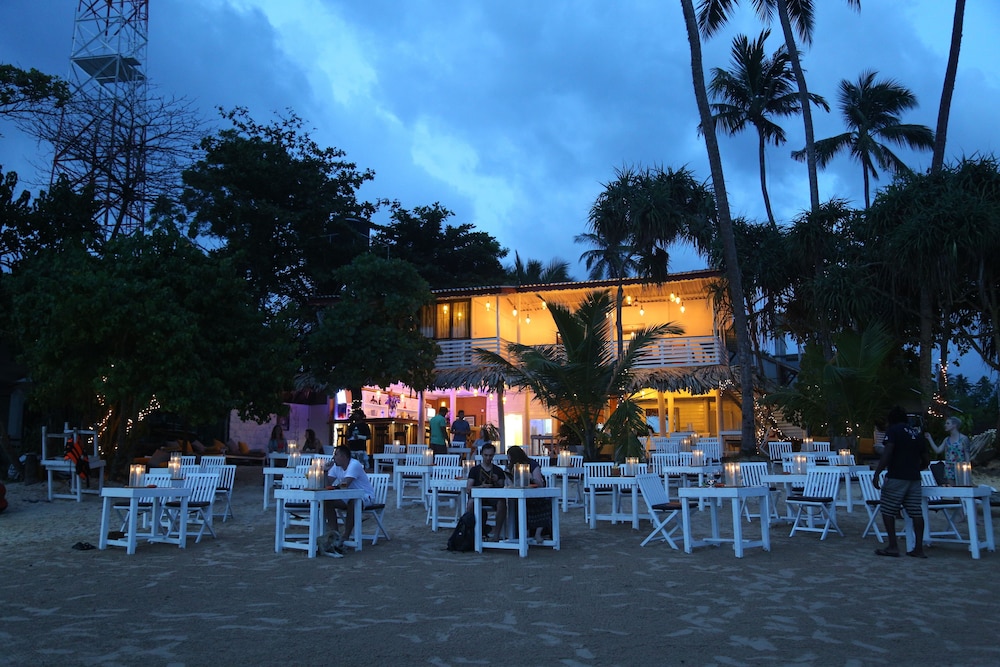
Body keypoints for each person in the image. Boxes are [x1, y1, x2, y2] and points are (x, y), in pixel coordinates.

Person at [872, 406, 927, 558]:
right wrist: (915, 469)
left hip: (896, 476)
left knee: (888, 510)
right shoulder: (916, 433)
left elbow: (888, 452)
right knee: (916, 512)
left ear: (891, 419)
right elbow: (926, 460)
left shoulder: (893, 431)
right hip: (914, 478)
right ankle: (919, 548)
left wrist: (877, 473)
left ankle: (893, 546)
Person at [323, 445, 376, 557]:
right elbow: (327, 485)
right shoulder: (336, 466)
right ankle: (335, 534)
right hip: (347, 496)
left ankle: (346, 535)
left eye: (336, 455)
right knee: (327, 501)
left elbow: (345, 484)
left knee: (354, 502)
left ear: (344, 456)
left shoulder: (354, 465)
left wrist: (334, 487)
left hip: (365, 496)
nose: (333, 458)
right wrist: (325, 472)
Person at [506, 445, 551, 543]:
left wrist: (530, 477)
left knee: (542, 503)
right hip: (520, 494)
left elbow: (540, 483)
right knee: (517, 503)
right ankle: (523, 532)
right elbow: (510, 484)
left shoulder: (532, 464)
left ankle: (537, 533)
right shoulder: (511, 467)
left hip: (535, 493)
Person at [466, 442, 508, 540]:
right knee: (471, 503)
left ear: (493, 455)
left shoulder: (498, 470)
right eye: (486, 455)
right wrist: (481, 486)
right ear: (482, 454)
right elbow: (468, 488)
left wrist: (496, 480)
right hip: (478, 496)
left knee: (502, 503)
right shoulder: (475, 470)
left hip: (493, 496)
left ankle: (496, 534)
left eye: (490, 455)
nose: (488, 458)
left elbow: (502, 486)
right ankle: (470, 532)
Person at [925, 416, 971, 485]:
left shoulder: (963, 439)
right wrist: (929, 438)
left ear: (954, 425)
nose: (945, 425)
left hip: (960, 467)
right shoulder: (947, 440)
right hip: (949, 467)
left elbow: (967, 455)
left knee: (962, 488)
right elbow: (938, 450)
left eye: (948, 423)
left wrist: (967, 469)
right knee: (953, 489)